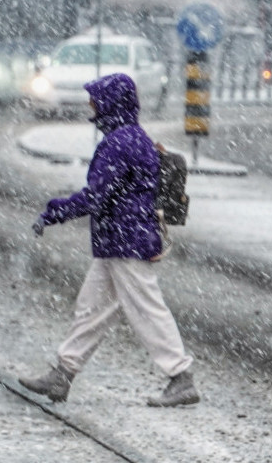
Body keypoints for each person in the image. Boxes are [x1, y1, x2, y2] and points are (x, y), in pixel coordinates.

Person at [20, 72, 199, 407]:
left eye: (95, 102)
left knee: (146, 309)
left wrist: (55, 211)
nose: (91, 109)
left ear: (110, 104)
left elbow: (97, 196)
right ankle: (63, 373)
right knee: (92, 309)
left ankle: (180, 376)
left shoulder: (120, 143)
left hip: (125, 239)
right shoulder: (132, 137)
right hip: (119, 240)